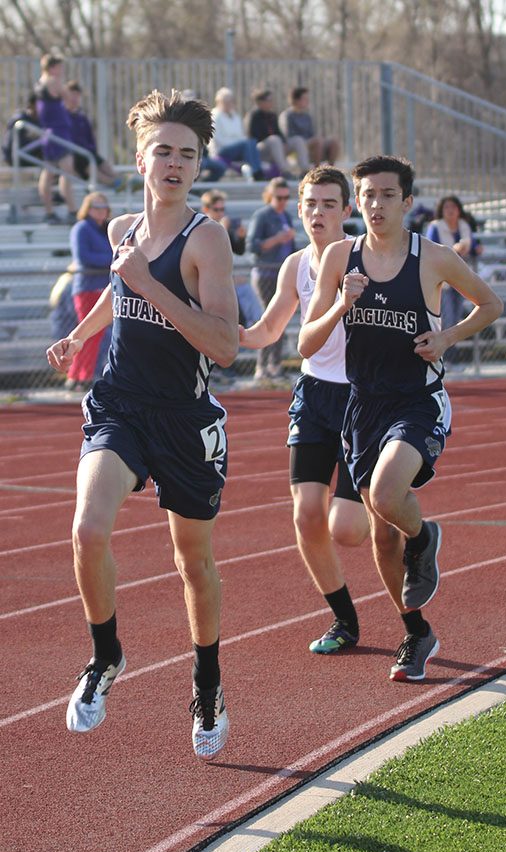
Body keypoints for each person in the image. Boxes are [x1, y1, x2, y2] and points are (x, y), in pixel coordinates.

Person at [46, 89, 239, 759]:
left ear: (199, 163)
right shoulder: (121, 226)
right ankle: (105, 657)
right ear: (140, 158)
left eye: (187, 154)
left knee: (193, 563)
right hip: (120, 404)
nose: (175, 163)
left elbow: (225, 344)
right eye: (164, 151)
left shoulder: (206, 239)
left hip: (182, 420)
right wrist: (79, 335)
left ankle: (208, 681)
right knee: (86, 528)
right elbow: (120, 292)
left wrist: (152, 287)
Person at [298, 155, 503, 681]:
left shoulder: (431, 257)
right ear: (357, 201)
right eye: (367, 194)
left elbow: (490, 303)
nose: (375, 204)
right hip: (362, 407)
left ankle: (426, 537)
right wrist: (341, 305)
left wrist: (447, 338)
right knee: (381, 536)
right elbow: (306, 341)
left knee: (389, 496)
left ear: (406, 201)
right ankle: (416, 631)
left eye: (387, 195)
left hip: (418, 400)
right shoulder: (340, 257)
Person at [240, 166, 369, 652]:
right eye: (310, 204)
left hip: (362, 400)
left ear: (346, 210)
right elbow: (270, 328)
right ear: (298, 209)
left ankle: (404, 525)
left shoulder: (364, 257)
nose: (318, 213)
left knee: (349, 530)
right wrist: (221, 333)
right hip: (315, 395)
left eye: (329, 204)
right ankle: (344, 621)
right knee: (307, 516)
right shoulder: (294, 264)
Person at [246, 176, 296, 380]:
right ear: (270, 196)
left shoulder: (286, 216)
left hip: (282, 275)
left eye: (286, 197)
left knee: (281, 322)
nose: (283, 201)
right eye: (279, 197)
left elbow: (291, 247)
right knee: (269, 321)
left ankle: (275, 365)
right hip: (266, 274)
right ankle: (263, 367)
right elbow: (252, 246)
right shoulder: (262, 215)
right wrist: (276, 240)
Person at [64, 191, 113, 391]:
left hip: (102, 288)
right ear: (87, 208)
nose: (100, 211)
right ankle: (81, 377)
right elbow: (83, 257)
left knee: (95, 335)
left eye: (103, 207)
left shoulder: (106, 229)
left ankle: (76, 377)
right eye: (95, 207)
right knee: (88, 335)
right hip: (87, 288)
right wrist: (112, 260)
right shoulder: (81, 228)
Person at [201, 188, 263, 328]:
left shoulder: (222, 228)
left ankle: (259, 329)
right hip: (208, 284)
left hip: (224, 281)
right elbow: (211, 254)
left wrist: (241, 237)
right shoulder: (201, 227)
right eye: (216, 210)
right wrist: (222, 230)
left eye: (223, 209)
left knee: (246, 296)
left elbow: (238, 250)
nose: (221, 213)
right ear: (206, 209)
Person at [425, 195, 473, 366]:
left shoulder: (464, 226)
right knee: (448, 319)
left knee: (457, 318)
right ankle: (447, 358)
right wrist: (454, 249)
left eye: (453, 206)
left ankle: (452, 357)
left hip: (460, 281)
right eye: (447, 207)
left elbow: (472, 245)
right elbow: (432, 250)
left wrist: (475, 247)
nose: (451, 210)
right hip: (442, 283)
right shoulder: (435, 227)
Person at [33, 53, 78, 224]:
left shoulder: (40, 82)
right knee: (67, 170)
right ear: (52, 67)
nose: (61, 70)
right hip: (59, 131)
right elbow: (71, 100)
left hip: (48, 132)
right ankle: (72, 209)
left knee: (49, 171)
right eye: (59, 66)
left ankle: (49, 211)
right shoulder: (54, 81)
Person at [63, 81, 122, 189]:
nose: (74, 99)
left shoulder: (82, 117)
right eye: (72, 95)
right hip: (74, 155)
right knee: (90, 167)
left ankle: (122, 181)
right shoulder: (62, 117)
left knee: (104, 165)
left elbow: (90, 138)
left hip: (87, 152)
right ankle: (114, 183)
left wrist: (92, 150)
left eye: (77, 96)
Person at [278, 87, 340, 175]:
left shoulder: (307, 116)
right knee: (317, 141)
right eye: (305, 99)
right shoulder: (287, 115)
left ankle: (330, 171)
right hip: (297, 145)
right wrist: (311, 140)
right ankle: (317, 171)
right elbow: (289, 135)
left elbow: (312, 134)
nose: (307, 101)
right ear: (296, 100)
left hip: (310, 143)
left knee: (333, 141)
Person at [209, 87, 264, 181]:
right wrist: (238, 143)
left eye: (230, 101)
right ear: (219, 102)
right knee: (246, 144)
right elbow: (218, 140)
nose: (228, 103)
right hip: (221, 150)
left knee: (252, 141)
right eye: (225, 101)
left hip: (237, 148)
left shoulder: (235, 116)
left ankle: (257, 171)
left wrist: (240, 143)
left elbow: (241, 135)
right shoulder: (214, 115)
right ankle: (255, 172)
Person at [245, 89, 294, 179]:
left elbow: (278, 132)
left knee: (297, 140)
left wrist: (284, 142)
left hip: (275, 145)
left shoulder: (272, 115)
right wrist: (272, 138)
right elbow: (253, 136)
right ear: (260, 102)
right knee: (274, 139)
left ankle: (305, 170)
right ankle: (284, 171)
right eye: (269, 100)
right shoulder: (254, 116)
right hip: (259, 149)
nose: (271, 103)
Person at [2, 92, 43, 167]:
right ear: (32, 105)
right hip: (16, 157)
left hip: (30, 155)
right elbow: (11, 145)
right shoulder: (19, 120)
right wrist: (36, 139)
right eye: (40, 104)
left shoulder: (39, 120)